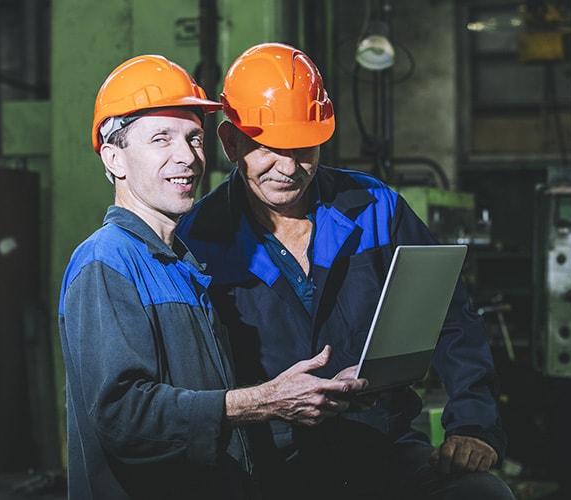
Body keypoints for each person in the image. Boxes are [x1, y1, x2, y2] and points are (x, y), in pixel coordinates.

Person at [176, 42, 515, 500]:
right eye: (270, 149)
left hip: (381, 448)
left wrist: (475, 424)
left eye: (305, 149)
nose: (289, 168)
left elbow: (451, 317)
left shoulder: (375, 207)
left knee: (482, 495)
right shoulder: (199, 240)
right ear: (231, 142)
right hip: (269, 467)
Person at [58, 54, 368, 500]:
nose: (186, 157)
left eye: (194, 139)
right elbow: (124, 418)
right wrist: (261, 401)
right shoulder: (107, 261)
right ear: (114, 157)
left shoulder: (181, 262)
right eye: (160, 139)